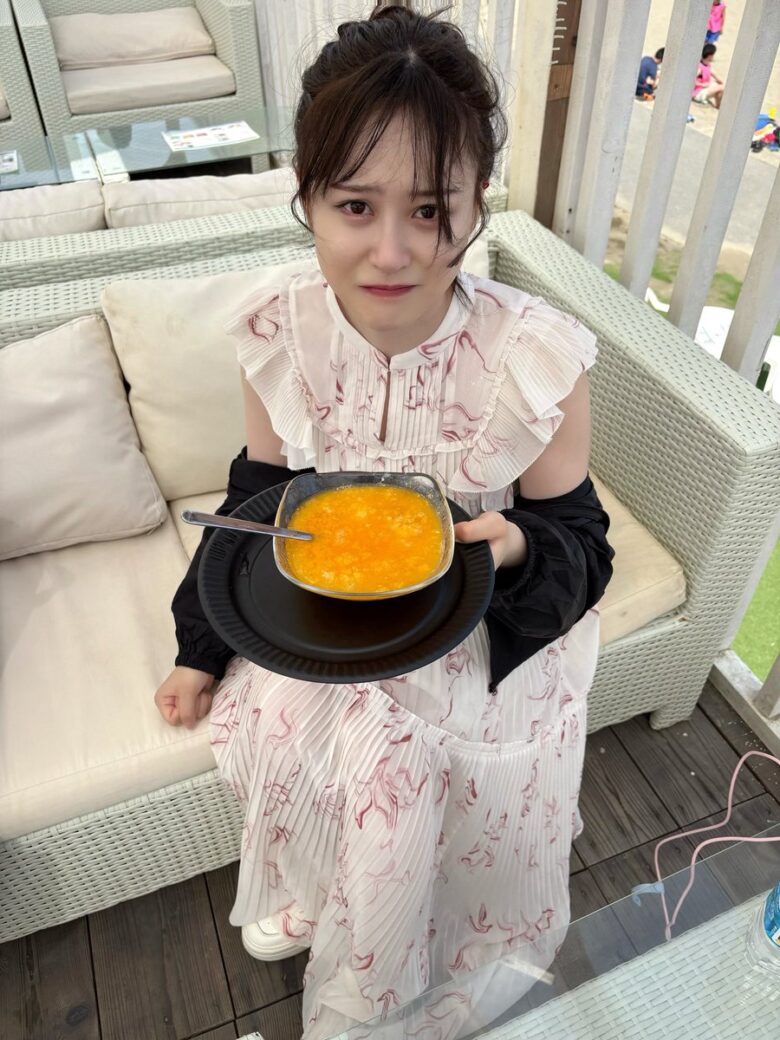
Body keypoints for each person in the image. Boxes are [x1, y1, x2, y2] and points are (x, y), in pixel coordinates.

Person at [154, 5, 614, 1037]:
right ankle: (333, 893)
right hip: (331, 609)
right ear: (307, 196)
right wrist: (197, 646)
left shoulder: (535, 355)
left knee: (397, 768)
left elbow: (581, 535)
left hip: (481, 620)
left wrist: (519, 545)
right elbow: (255, 501)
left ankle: (384, 980)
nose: (393, 250)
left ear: (477, 201)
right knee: (320, 742)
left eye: (432, 207)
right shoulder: (279, 332)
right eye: (356, 205)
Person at [693, 43, 725, 109]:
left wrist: (716, 82)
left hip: (702, 91)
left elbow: (719, 80)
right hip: (697, 93)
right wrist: (703, 85)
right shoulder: (700, 68)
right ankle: (718, 106)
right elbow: (691, 81)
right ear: (710, 55)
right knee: (721, 87)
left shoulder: (707, 66)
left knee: (720, 87)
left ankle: (718, 106)